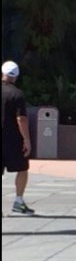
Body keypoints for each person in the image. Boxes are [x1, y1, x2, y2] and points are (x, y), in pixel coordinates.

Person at [2, 60, 34, 215]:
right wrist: (27, 139)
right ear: (16, 77)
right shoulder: (17, 94)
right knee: (22, 168)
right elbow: (21, 119)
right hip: (13, 139)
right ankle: (19, 202)